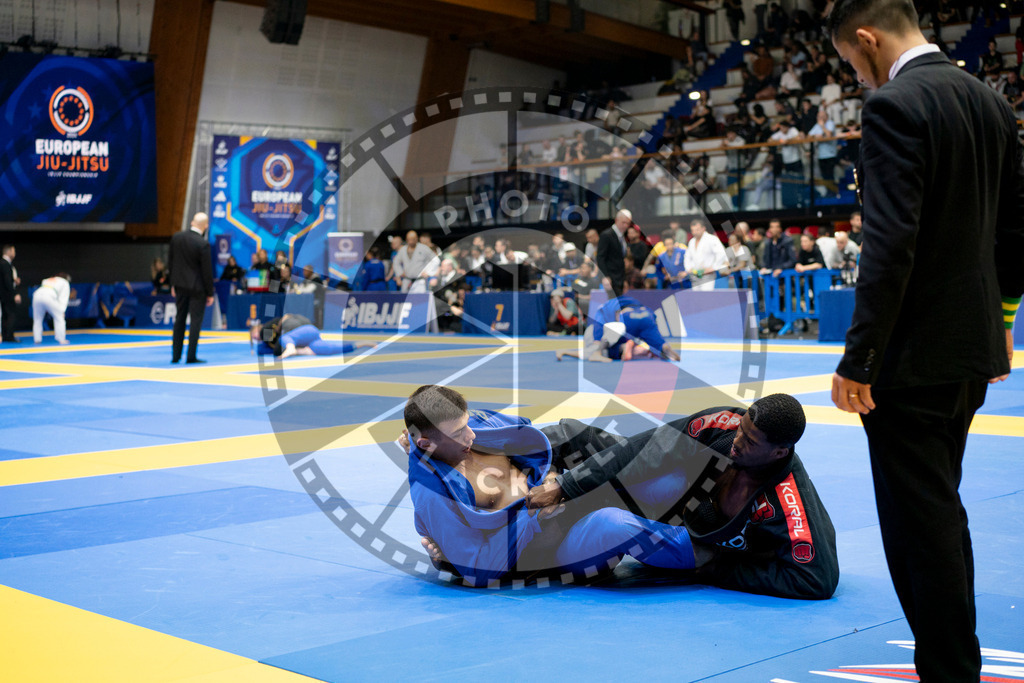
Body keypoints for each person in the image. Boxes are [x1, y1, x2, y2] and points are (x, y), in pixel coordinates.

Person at [825, 1, 1024, 680]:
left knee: (921, 527)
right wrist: (999, 323)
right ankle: (949, 660)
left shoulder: (893, 107)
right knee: (940, 506)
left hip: (910, 361)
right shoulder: (991, 103)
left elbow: (889, 246)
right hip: (971, 351)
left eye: (854, 64)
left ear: (868, 38)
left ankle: (948, 668)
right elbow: (1015, 234)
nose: (860, 79)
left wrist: (860, 357)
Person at [410, 386, 839, 599]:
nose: (736, 441)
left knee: (634, 484)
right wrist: (453, 562)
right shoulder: (723, 424)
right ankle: (680, 548)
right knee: (623, 503)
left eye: (750, 441)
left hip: (580, 516)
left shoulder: (790, 503)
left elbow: (816, 579)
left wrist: (717, 570)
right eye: (741, 427)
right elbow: (647, 449)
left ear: (780, 450)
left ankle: (690, 553)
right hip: (542, 541)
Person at [556, 282, 680, 363]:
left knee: (612, 336)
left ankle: (596, 352)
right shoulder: (629, 300)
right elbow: (652, 320)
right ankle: (663, 348)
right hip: (646, 315)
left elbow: (599, 317)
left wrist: (598, 341)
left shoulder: (610, 306)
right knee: (648, 339)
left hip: (624, 322)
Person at [168, 213, 215, 364]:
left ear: (192, 222)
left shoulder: (177, 238)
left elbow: (171, 262)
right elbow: (206, 271)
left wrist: (173, 284)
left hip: (180, 285)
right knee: (195, 321)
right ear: (206, 226)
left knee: (179, 319)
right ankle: (191, 356)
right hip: (197, 287)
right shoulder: (202, 243)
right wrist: (210, 292)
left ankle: (175, 356)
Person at [250, 313, 377, 358]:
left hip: (305, 329)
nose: (256, 338)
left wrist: (280, 327)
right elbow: (267, 348)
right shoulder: (266, 340)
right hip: (310, 337)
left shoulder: (267, 328)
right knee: (330, 349)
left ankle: (293, 349)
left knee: (284, 339)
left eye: (254, 335)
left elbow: (284, 319)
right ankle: (360, 344)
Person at [684, 220, 729, 291]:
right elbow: (687, 257)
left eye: (697, 230)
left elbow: (721, 254)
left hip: (708, 275)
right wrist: (688, 268)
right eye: (693, 230)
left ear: (703, 228)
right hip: (694, 275)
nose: (695, 232)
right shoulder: (691, 241)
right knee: (696, 299)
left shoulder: (712, 239)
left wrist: (713, 267)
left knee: (706, 298)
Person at [596, 209, 631, 297]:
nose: (625, 225)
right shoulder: (606, 235)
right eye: (623, 222)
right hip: (610, 277)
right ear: (616, 220)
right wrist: (605, 276)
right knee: (614, 305)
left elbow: (621, 258)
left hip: (620, 277)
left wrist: (624, 279)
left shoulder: (622, 237)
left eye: (628, 223)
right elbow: (600, 257)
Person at [31, 273, 71, 345]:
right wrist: (62, 310)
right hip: (49, 296)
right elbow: (64, 297)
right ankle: (61, 339)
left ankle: (37, 339)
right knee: (59, 318)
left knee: (37, 319)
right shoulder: (65, 282)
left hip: (37, 295)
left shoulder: (47, 280)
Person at [0, 245, 21, 343]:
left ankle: (5, 336)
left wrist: (14, 280)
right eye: (14, 251)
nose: (15, 253)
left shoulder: (4, 263)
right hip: (7, 294)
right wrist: (14, 293)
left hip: (3, 294)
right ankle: (9, 337)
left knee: (5, 315)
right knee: (10, 315)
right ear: (9, 252)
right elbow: (7, 280)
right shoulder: (5, 264)